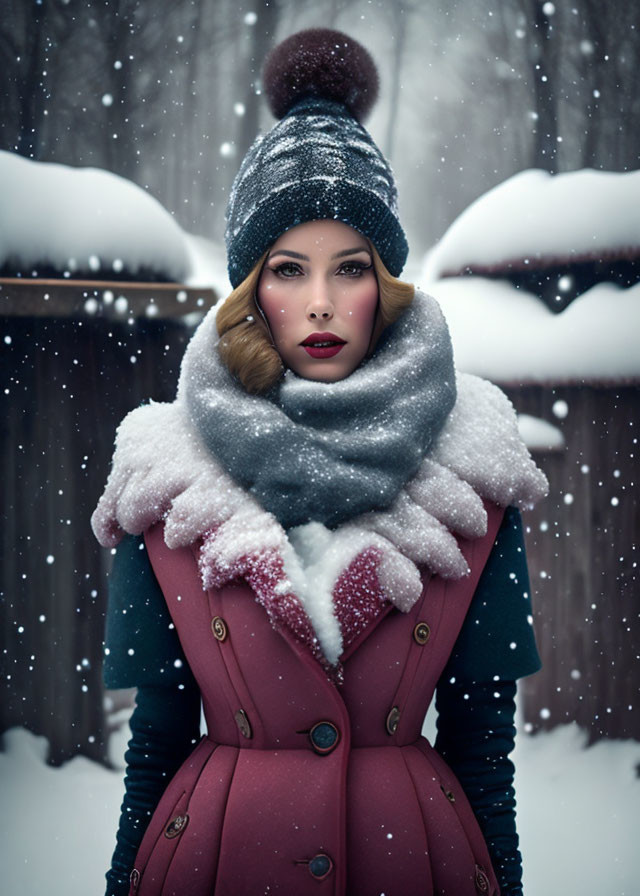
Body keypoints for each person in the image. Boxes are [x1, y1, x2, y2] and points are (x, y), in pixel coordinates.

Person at [92, 28, 548, 896]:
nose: (322, 303)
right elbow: (153, 740)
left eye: (352, 268)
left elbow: (483, 743)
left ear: (388, 283)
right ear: (250, 290)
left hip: (420, 862)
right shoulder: (164, 475)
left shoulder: (477, 471)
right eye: (289, 269)